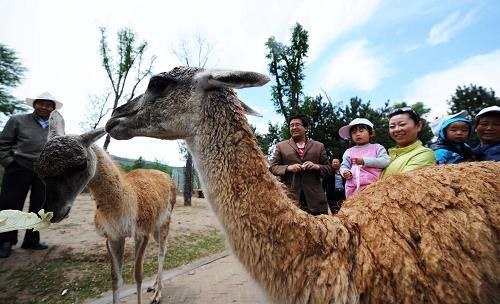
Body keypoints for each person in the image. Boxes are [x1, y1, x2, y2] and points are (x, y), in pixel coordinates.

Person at [0, 92, 63, 258]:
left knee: (40, 207)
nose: (45, 107)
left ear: (53, 109)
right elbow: (3, 143)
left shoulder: (56, 126)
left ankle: (32, 240)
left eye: (49, 105)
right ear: (34, 105)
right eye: (41, 104)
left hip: (44, 172)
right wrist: (9, 162)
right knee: (10, 204)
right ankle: (5, 241)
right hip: (19, 167)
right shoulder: (17, 120)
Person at [270, 115, 333, 215]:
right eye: (291, 125)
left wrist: (317, 166)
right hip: (291, 200)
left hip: (316, 200)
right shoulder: (281, 146)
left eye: (297, 124)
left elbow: (329, 169)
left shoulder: (319, 146)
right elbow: (272, 168)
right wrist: (288, 168)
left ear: (306, 128)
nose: (294, 127)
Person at [338, 118, 391, 197]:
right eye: (354, 132)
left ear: (371, 133)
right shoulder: (349, 151)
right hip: (353, 189)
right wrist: (345, 172)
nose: (357, 134)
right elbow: (344, 166)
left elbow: (385, 161)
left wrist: (364, 161)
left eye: (361, 131)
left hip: (373, 187)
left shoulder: (377, 147)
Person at [382, 107, 435, 178]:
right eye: (392, 126)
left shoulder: (424, 154)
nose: (396, 129)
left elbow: (404, 184)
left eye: (402, 124)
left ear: (418, 126)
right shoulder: (385, 155)